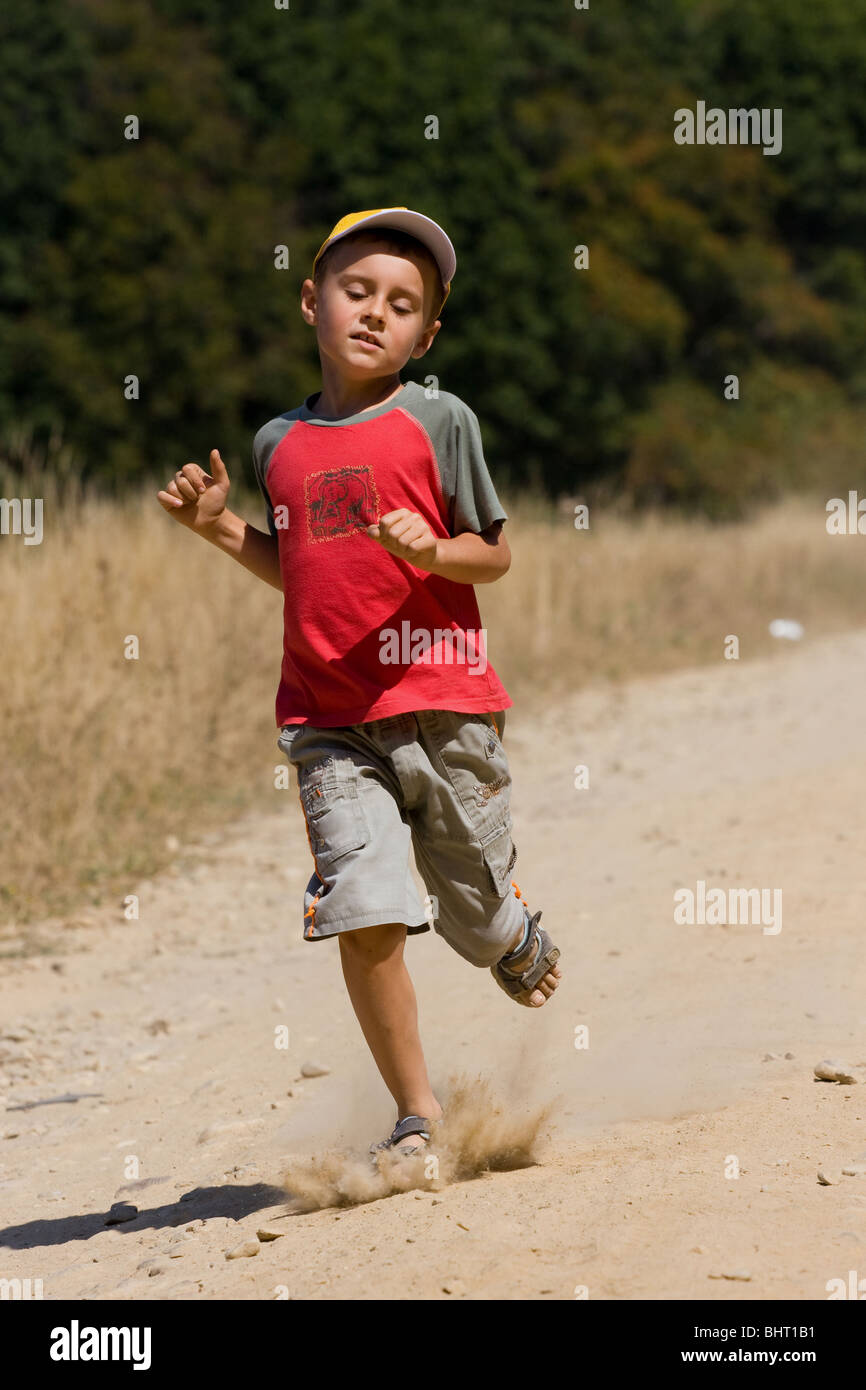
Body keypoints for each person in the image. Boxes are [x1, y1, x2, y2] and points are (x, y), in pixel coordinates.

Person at [157, 207, 562, 1158]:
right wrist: (219, 528)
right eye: (356, 291)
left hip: (445, 702)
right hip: (329, 719)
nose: (376, 313)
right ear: (312, 301)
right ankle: (416, 1116)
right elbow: (296, 564)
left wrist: (437, 548)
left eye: (403, 304)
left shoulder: (439, 420)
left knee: (466, 914)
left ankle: (505, 925)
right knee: (366, 901)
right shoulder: (277, 444)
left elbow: (494, 558)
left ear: (426, 333)